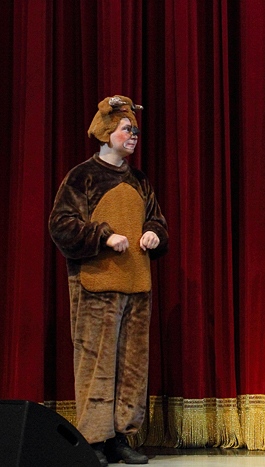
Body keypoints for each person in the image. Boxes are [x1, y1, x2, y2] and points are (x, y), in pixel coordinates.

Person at [49, 95, 168, 466]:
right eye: (126, 129)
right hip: (96, 288)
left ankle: (121, 437)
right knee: (96, 364)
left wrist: (154, 233)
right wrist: (103, 235)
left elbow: (157, 220)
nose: (133, 136)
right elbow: (61, 225)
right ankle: (94, 441)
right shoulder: (82, 176)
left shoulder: (140, 180)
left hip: (137, 287)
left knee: (132, 366)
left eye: (135, 130)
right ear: (106, 132)